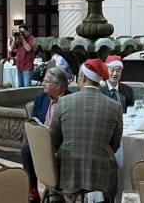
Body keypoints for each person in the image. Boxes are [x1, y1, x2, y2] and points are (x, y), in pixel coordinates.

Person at [50, 59, 122, 200]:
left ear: (82, 77)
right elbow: (115, 144)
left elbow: (54, 139)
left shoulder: (63, 101)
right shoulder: (115, 106)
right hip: (102, 171)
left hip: (68, 169)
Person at [22, 67, 70, 202]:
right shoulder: (41, 97)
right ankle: (32, 188)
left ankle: (58, 187)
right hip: (42, 140)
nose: (43, 84)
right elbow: (34, 120)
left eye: (47, 82)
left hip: (61, 141)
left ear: (58, 85)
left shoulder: (70, 99)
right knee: (26, 148)